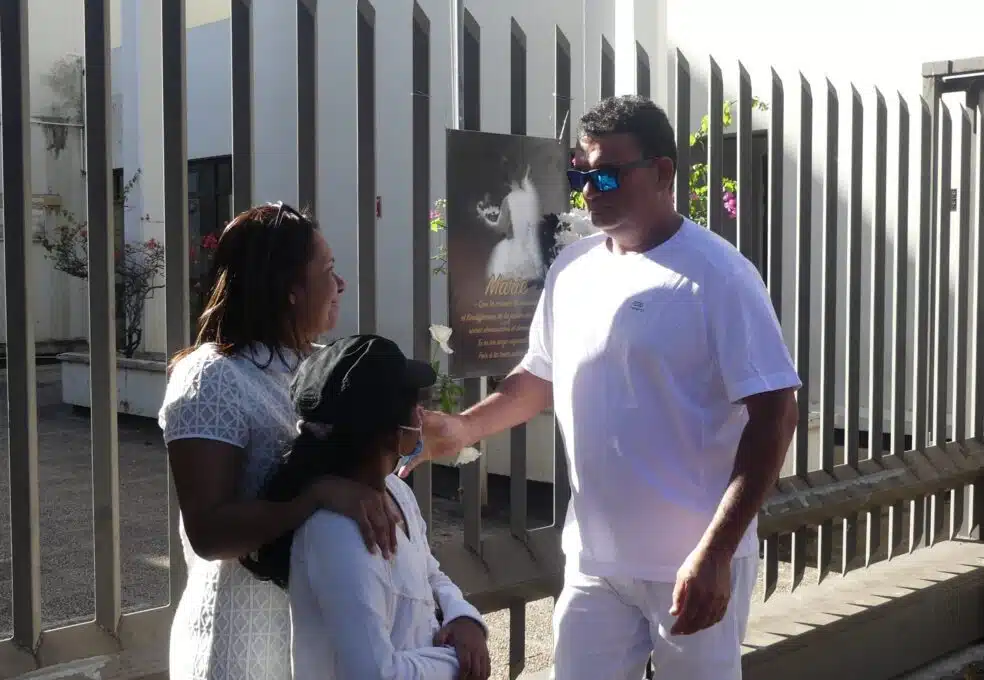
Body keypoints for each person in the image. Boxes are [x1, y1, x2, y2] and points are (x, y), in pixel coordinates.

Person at [403, 95, 801, 679]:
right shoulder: (573, 269)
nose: (589, 189)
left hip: (691, 563)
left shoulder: (720, 275)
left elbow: (776, 414)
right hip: (595, 561)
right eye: (579, 175)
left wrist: (717, 551)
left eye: (607, 174)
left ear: (662, 173)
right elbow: (538, 377)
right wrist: (463, 428)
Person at [159, 203, 402, 680]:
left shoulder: (324, 366)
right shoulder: (212, 377)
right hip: (241, 645)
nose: (340, 284)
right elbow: (208, 532)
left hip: (319, 643)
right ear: (290, 288)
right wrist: (313, 497)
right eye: (328, 270)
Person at [241, 334, 490, 680]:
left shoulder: (398, 492)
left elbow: (429, 571)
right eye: (415, 407)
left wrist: (463, 617)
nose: (423, 415)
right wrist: (455, 660)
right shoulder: (336, 532)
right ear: (391, 433)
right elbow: (373, 672)